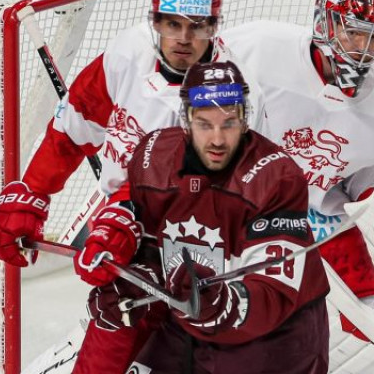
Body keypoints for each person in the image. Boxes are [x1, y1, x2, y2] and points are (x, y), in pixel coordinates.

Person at [0, 0, 266, 373]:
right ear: (155, 20)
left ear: (214, 26)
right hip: (133, 220)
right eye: (172, 23)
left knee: (178, 334)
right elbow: (75, 126)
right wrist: (33, 194)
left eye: (196, 25)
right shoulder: (127, 53)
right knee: (117, 316)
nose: (183, 38)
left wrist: (125, 216)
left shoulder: (227, 92)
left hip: (208, 236)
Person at [221, 0, 374, 372]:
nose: (364, 49)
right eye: (354, 34)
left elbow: (372, 188)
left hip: (320, 223)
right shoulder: (257, 50)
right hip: (234, 216)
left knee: (363, 323)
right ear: (324, 25)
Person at [83, 61, 330, 373]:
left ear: (245, 120)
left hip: (272, 340)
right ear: (186, 120)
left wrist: (223, 304)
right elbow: (151, 252)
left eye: (228, 123)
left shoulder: (276, 177)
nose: (217, 139)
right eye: (204, 124)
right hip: (182, 327)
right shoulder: (152, 157)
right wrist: (134, 286)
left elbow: (273, 293)